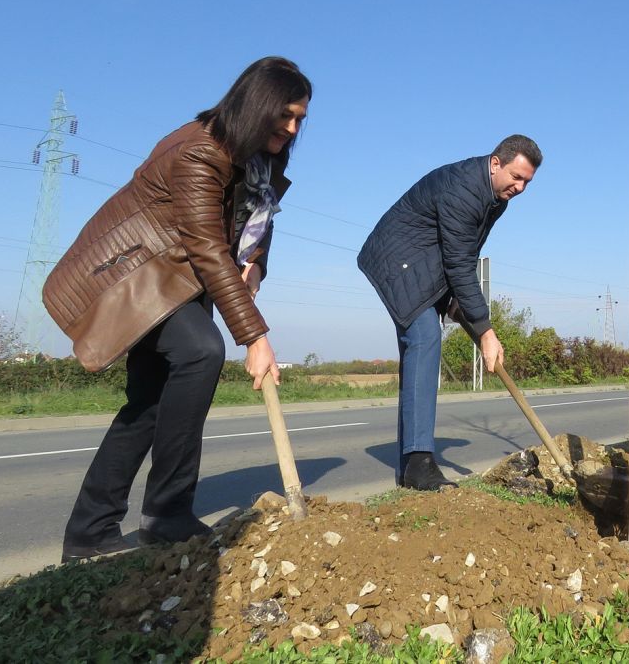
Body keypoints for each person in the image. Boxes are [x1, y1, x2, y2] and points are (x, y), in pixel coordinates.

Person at [44, 56, 312, 562]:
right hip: (134, 280)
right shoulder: (198, 151)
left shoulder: (257, 157)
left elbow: (257, 218)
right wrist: (254, 338)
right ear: (257, 106)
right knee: (201, 352)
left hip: (176, 283)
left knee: (147, 404)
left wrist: (256, 262)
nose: (293, 128)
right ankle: (166, 514)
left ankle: (89, 531)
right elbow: (207, 247)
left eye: (301, 118)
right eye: (286, 115)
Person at [357, 135, 541, 491]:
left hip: (424, 261)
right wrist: (485, 330)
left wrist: (454, 302)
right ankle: (418, 463)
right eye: (516, 177)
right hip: (397, 260)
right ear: (495, 163)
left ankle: (412, 466)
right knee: (424, 337)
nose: (520, 188)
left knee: (422, 344)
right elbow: (458, 262)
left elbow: (464, 250)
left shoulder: (495, 198)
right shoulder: (463, 190)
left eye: (527, 182)